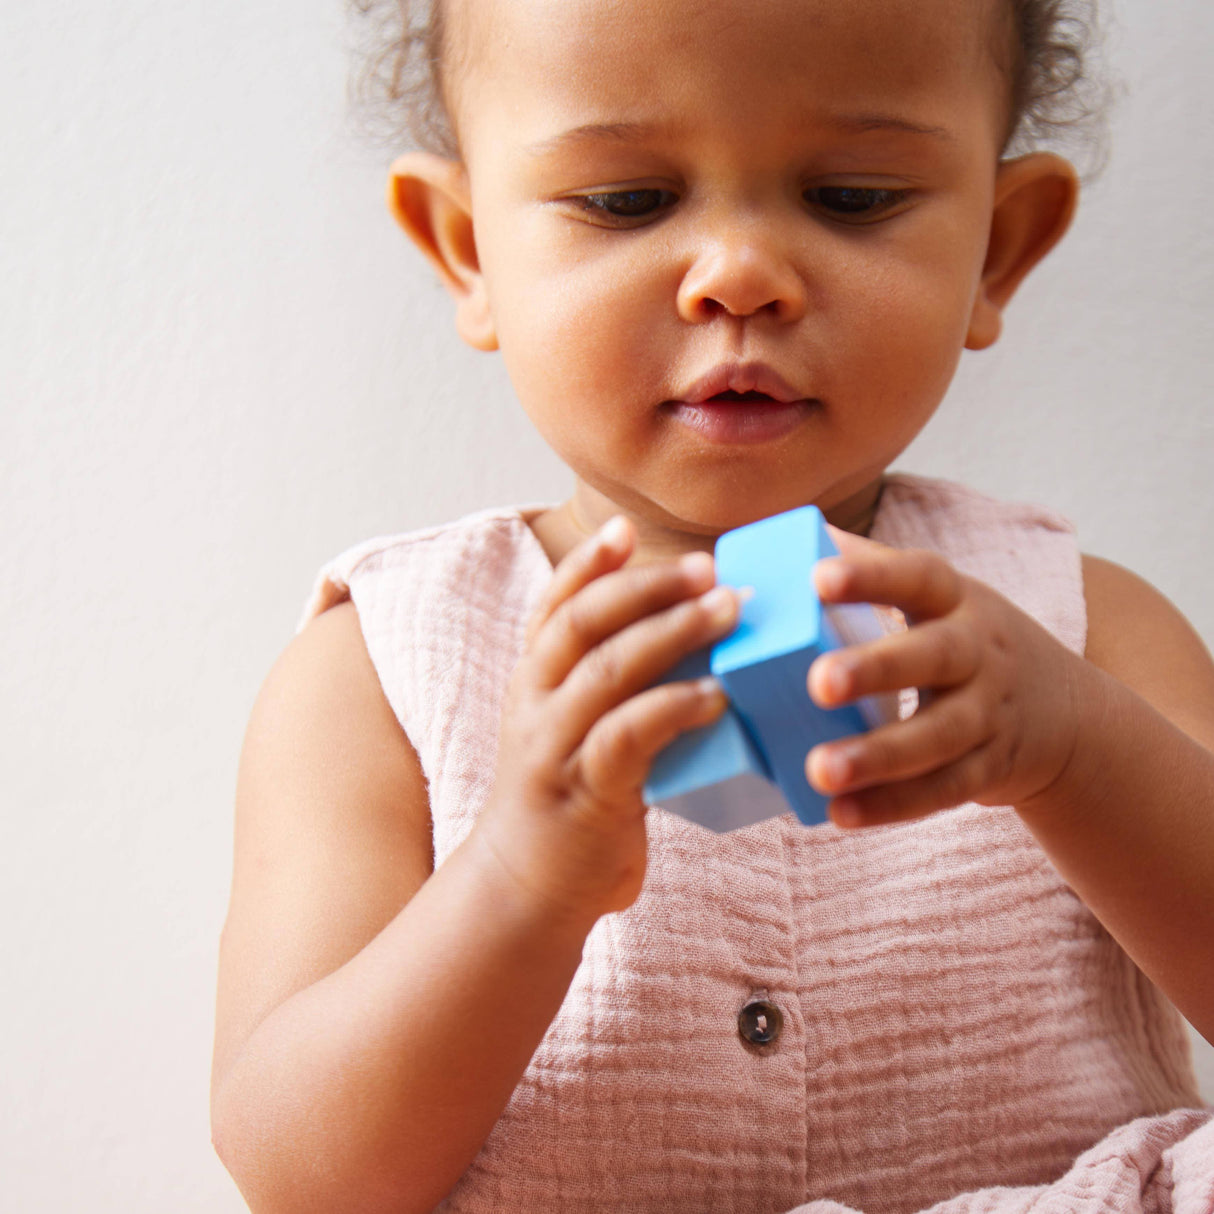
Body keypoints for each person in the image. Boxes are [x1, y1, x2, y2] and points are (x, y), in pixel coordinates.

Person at [210, 1, 1214, 1211]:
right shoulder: (379, 665)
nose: (738, 273)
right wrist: (522, 875)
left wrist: (1072, 749)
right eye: (627, 200)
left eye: (849, 196)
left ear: (995, 250)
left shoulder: (1081, 628)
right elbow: (304, 1177)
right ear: (469, 247)